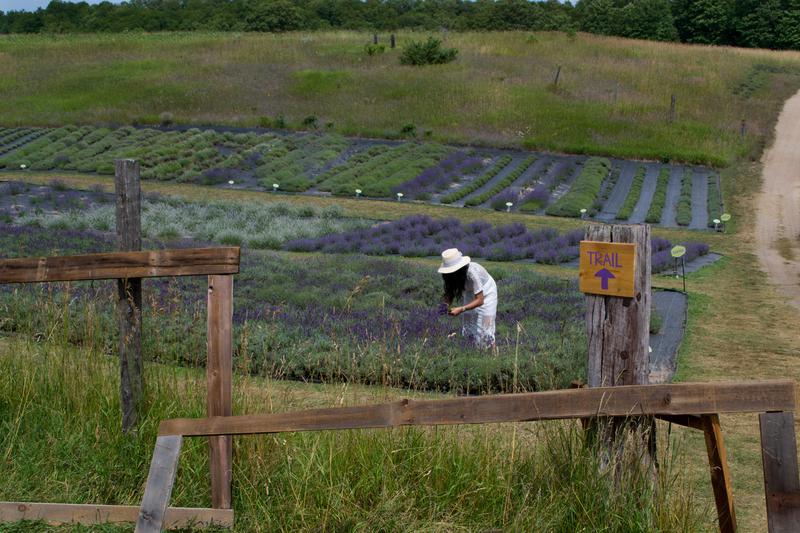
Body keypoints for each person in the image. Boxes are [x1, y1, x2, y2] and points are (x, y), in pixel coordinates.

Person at [438, 248, 497, 349]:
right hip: (470, 292)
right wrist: (445, 305)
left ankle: (493, 356)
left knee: (486, 328)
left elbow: (480, 300)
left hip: (486, 293)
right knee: (468, 326)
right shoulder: (450, 276)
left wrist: (461, 309)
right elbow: (450, 291)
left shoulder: (472, 273)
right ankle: (472, 351)